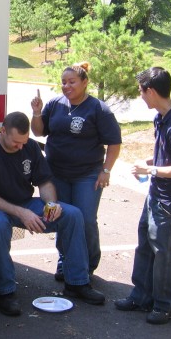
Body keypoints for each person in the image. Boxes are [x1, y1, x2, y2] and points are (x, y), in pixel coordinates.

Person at [0, 111, 105, 316]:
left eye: (23, 142)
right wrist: (22, 213)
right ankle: (5, 293)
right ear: (3, 131)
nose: (20, 147)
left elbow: (45, 181)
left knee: (72, 214)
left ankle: (77, 283)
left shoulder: (30, 147)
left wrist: (51, 203)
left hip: (25, 203)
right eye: (16, 142)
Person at [114, 67, 171, 325]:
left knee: (166, 253)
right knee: (146, 246)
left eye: (141, 92)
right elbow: (166, 155)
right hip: (156, 195)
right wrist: (149, 161)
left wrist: (151, 169)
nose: (141, 97)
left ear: (151, 91)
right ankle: (141, 296)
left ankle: (165, 305)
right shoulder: (162, 118)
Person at [31, 62, 122, 281]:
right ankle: (65, 261)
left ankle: (88, 263)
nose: (66, 86)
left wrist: (106, 170)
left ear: (85, 82)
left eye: (72, 82)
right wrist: (36, 113)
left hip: (87, 175)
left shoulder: (99, 109)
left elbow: (114, 143)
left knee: (86, 219)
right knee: (62, 217)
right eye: (63, 82)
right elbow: (38, 131)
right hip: (57, 174)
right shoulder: (55, 104)